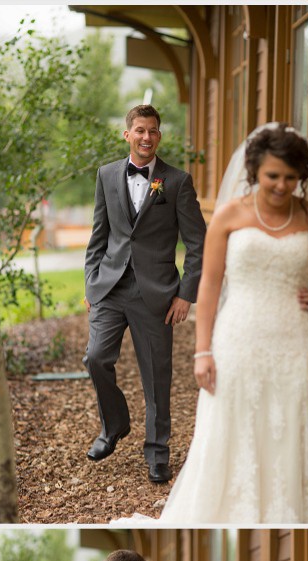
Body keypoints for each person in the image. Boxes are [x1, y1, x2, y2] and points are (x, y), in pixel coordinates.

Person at [157, 123, 308, 523]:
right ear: (254, 172)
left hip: (295, 339)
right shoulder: (230, 214)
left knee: (291, 423)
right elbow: (209, 283)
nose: (282, 186)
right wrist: (202, 350)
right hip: (238, 337)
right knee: (236, 425)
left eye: (291, 178)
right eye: (272, 176)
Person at [83, 104, 205, 483]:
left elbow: (198, 244)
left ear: (159, 136)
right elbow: (98, 235)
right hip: (111, 287)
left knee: (157, 377)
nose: (146, 137)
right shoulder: (106, 175)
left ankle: (157, 452)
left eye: (152, 131)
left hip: (156, 293)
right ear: (127, 134)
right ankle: (114, 425)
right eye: (139, 130)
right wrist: (91, 282)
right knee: (95, 358)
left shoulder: (177, 181)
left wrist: (186, 294)